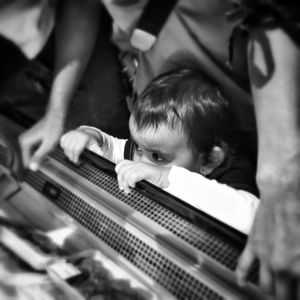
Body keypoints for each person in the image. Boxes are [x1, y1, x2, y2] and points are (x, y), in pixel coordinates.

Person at [60, 69, 259, 235]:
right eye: (138, 146)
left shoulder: (231, 172)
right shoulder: (146, 151)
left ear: (208, 161)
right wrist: (91, 136)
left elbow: (252, 218)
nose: (142, 163)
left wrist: (166, 178)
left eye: (157, 157)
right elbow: (114, 148)